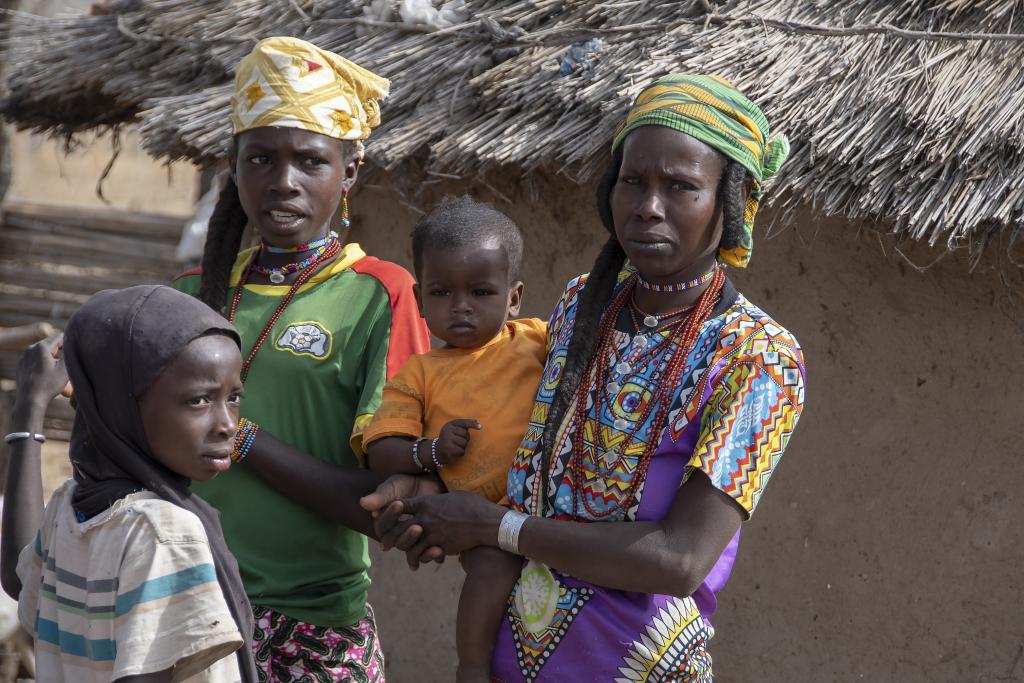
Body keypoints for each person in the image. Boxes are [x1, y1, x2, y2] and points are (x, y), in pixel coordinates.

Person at [363, 73, 807, 681]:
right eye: (633, 181)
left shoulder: (759, 358)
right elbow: (535, 472)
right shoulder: (581, 307)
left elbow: (679, 560)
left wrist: (496, 527)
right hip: (511, 655)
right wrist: (436, 501)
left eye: (681, 186)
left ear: (730, 205)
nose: (649, 205)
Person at [171, 37, 431, 680]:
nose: (282, 181)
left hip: (312, 634)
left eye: (310, 161)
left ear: (349, 171)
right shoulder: (188, 295)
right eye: (261, 159)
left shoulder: (379, 294)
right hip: (183, 619)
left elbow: (386, 500)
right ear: (234, 166)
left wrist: (245, 440)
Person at [0, 285, 258, 682]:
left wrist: (29, 410)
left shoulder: (75, 510)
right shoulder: (162, 532)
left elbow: (20, 581)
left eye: (234, 397)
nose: (227, 425)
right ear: (121, 406)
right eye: (199, 400)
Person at [362, 197, 547, 681]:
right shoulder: (420, 372)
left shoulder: (537, 340)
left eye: (481, 292)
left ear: (514, 297)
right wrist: (432, 452)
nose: (460, 306)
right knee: (489, 569)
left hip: (549, 504)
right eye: (442, 293)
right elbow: (382, 449)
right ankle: (471, 666)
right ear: (421, 299)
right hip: (480, 516)